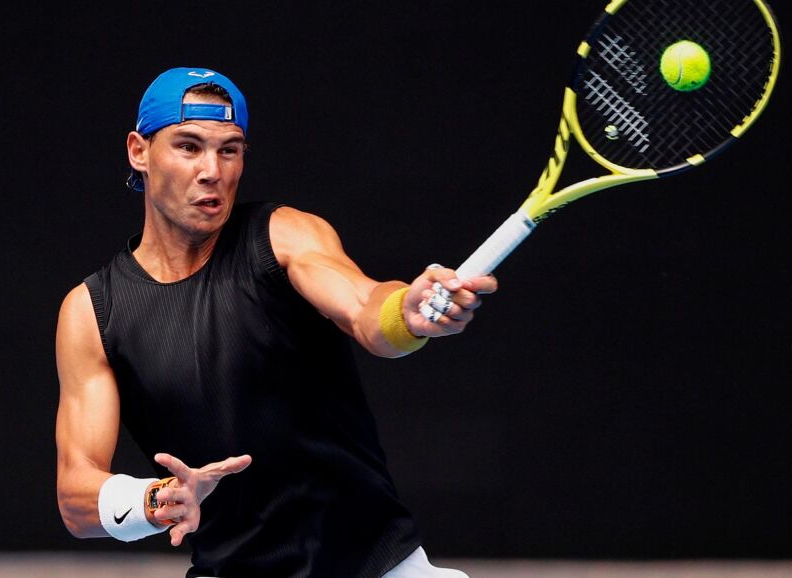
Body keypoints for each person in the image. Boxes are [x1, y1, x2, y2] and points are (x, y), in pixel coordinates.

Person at [55, 67, 497, 578]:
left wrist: (406, 313)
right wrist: (158, 499)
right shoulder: (93, 312)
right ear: (139, 151)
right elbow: (76, 497)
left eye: (229, 150)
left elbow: (364, 308)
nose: (212, 170)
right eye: (188, 147)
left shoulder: (282, 237)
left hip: (377, 567)